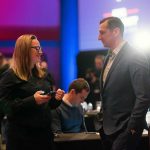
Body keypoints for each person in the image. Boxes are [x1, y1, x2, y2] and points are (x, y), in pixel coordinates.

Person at [0, 34, 65, 150]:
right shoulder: (9, 76)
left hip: (44, 137)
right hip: (22, 140)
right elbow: (4, 107)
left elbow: (48, 106)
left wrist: (56, 99)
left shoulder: (44, 74)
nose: (41, 52)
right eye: (37, 48)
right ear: (24, 50)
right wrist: (32, 100)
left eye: (40, 48)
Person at [98, 16, 150, 150]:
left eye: (102, 32)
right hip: (107, 131)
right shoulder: (109, 56)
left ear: (116, 32)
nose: (99, 37)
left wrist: (132, 128)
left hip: (125, 131)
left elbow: (144, 96)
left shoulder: (135, 55)